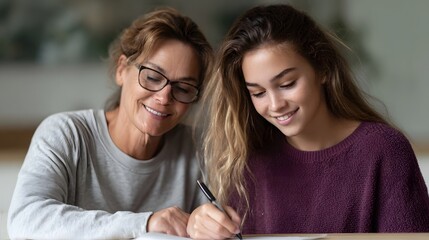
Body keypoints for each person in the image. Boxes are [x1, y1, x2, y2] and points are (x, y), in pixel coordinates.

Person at [187, 4, 429, 239]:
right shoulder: (249, 158)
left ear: (322, 68)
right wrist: (204, 226)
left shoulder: (384, 150)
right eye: (258, 93)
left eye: (287, 84)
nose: (275, 105)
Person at [7, 7, 213, 239]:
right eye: (152, 77)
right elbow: (26, 220)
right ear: (121, 69)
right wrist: (145, 222)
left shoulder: (198, 148)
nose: (164, 97)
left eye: (183, 88)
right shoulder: (65, 134)